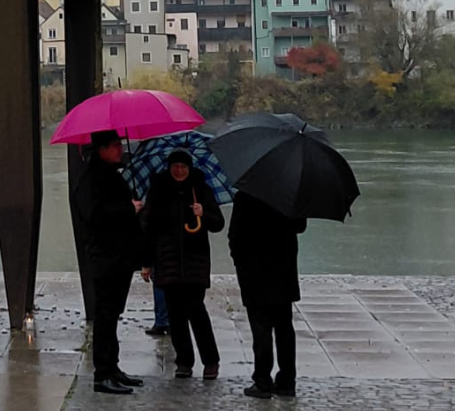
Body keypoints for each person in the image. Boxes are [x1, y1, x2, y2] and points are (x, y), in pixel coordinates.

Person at [140, 148, 225, 380]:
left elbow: (218, 223)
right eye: (175, 166)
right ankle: (184, 361)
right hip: (167, 260)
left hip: (195, 261)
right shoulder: (158, 190)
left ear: (190, 168)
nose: (179, 171)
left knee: (197, 311)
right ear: (169, 168)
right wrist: (146, 262)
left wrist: (203, 213)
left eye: (183, 167)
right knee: (176, 315)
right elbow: (147, 228)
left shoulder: (201, 190)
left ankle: (211, 361)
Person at [72, 130, 145, 396]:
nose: (119, 150)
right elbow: (94, 215)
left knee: (113, 314)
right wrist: (128, 209)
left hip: (120, 256)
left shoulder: (113, 175)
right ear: (101, 149)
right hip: (105, 257)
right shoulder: (89, 180)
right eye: (114, 146)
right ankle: (102, 373)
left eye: (119, 145)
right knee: (104, 315)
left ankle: (113, 367)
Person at [228, 190, 307, 400]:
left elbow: (234, 235)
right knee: (284, 328)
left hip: (254, 271)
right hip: (283, 269)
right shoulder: (291, 191)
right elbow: (300, 226)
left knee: (261, 328)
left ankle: (262, 381)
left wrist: (239, 261)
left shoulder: (246, 195)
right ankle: (287, 381)